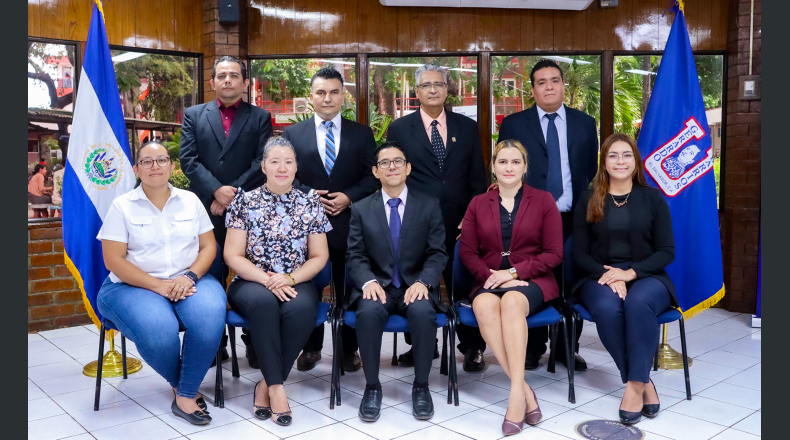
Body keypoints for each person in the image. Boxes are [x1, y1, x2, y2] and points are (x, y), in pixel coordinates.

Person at [96, 142, 226, 426]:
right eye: (147, 161)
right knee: (160, 332)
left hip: (189, 278)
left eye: (161, 160)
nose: (155, 166)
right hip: (132, 286)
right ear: (136, 169)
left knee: (209, 317)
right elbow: (114, 260)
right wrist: (159, 286)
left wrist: (189, 276)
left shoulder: (191, 200)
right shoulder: (122, 206)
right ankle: (184, 387)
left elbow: (208, 248)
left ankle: (185, 394)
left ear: (171, 166)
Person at [498, 59, 599, 372]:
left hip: (573, 217)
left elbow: (590, 169)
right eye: (542, 82)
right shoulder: (514, 124)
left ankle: (566, 348)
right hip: (531, 218)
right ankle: (532, 348)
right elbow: (509, 167)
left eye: (555, 80)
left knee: (571, 281)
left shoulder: (584, 123)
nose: (549, 86)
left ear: (563, 85)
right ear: (532, 89)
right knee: (531, 279)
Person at [386, 64, 488, 372]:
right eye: (426, 85)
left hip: (460, 223)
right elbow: (395, 177)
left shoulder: (466, 127)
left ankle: (472, 347)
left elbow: (477, 177)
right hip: (419, 223)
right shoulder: (400, 129)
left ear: (447, 89)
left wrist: (471, 219)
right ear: (417, 92)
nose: (433, 89)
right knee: (417, 283)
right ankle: (423, 344)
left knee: (465, 283)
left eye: (439, 84)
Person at [224, 136, 331, 427]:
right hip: (251, 280)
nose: (281, 167)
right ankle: (278, 389)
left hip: (297, 278)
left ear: (296, 167)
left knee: (302, 309)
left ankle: (267, 385)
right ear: (264, 166)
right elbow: (232, 255)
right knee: (263, 305)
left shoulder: (310, 203)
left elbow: (319, 256)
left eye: (288, 161)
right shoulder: (243, 201)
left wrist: (290, 278)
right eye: (274, 161)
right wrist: (268, 280)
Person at [460, 140, 562, 435]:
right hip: (490, 278)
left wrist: (515, 273)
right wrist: (494, 276)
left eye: (515, 162)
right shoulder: (478, 203)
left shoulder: (543, 200)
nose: (509, 167)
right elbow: (467, 253)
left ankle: (515, 398)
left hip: (533, 280)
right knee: (482, 304)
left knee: (512, 303)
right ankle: (525, 390)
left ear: (525, 167)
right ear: (493, 167)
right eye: (502, 161)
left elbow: (554, 253)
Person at [572, 133, 675, 425]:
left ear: (636, 160)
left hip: (647, 274)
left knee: (638, 303)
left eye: (626, 155)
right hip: (599, 273)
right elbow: (578, 252)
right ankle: (644, 382)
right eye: (613, 155)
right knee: (608, 308)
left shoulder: (653, 198)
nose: (620, 161)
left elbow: (667, 251)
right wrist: (608, 274)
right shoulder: (588, 197)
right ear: (603, 162)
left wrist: (630, 273)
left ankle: (633, 387)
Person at [282, 66, 379, 373]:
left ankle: (349, 349)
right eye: (321, 92)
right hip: (308, 230)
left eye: (334, 92)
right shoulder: (292, 134)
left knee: (350, 287)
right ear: (311, 97)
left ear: (343, 96)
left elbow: (372, 177)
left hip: (351, 226)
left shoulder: (362, 134)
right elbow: (284, 176)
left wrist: (348, 196)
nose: (327, 98)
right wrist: (311, 195)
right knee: (309, 286)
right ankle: (311, 347)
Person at [180, 55, 273, 367]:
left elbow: (262, 160)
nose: (228, 80)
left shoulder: (260, 116)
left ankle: (254, 340)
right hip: (206, 210)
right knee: (209, 275)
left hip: (248, 210)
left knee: (250, 275)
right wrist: (215, 191)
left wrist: (230, 194)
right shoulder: (193, 115)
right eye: (222, 76)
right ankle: (213, 342)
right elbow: (188, 161)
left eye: (234, 75)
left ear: (245, 83)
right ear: (212, 83)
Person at [348, 142, 448, 422]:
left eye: (397, 161)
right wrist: (367, 282)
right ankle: (372, 388)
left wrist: (425, 283)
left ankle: (421, 387)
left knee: (423, 312)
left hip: (414, 286)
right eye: (384, 163)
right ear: (375, 171)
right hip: (377, 286)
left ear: (408, 168)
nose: (391, 166)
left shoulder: (428, 205)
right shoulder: (361, 208)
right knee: (367, 313)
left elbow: (437, 252)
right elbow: (354, 254)